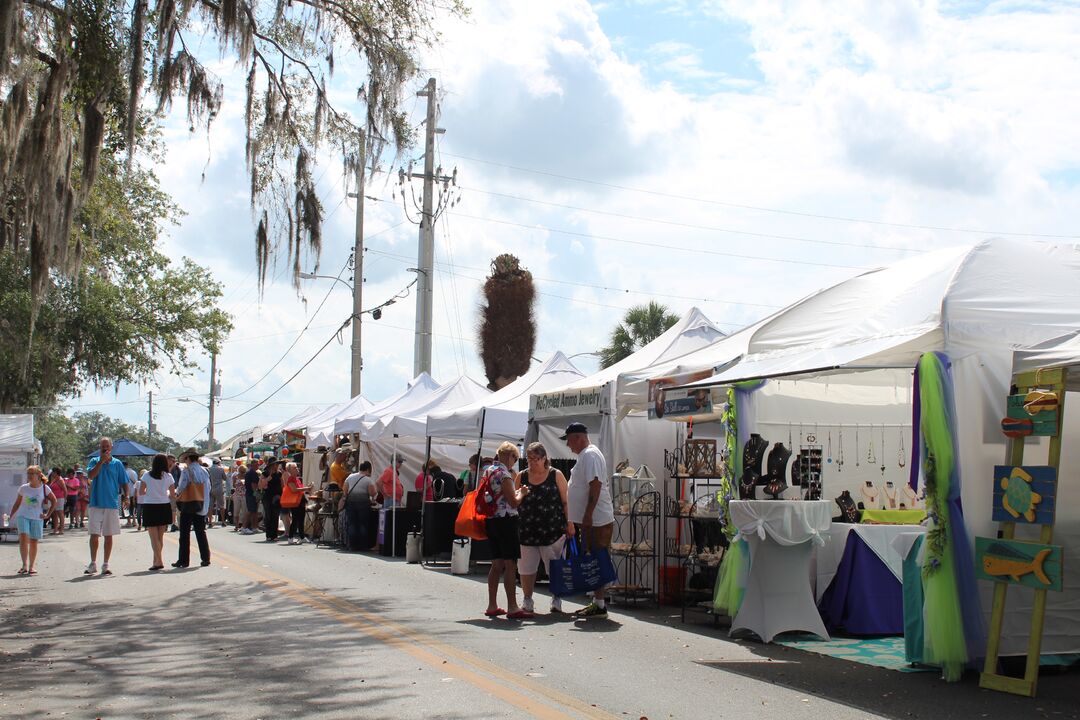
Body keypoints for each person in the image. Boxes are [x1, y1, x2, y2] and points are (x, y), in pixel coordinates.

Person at [563, 422, 614, 618]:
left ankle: (600, 604)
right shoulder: (586, 455)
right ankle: (597, 602)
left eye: (569, 440)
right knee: (592, 558)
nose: (568, 445)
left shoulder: (590, 455)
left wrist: (588, 514)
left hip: (597, 519)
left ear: (578, 437)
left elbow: (595, 485)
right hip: (592, 519)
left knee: (596, 559)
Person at [517, 442, 574, 615]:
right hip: (527, 529)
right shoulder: (521, 476)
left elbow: (566, 501)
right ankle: (527, 600)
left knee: (554, 565)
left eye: (535, 459)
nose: (531, 462)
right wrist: (521, 494)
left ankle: (556, 599)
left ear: (544, 459)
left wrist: (570, 522)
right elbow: (515, 499)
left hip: (552, 529)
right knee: (526, 567)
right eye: (529, 459)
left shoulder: (556, 475)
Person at [482, 442, 531, 619]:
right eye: (515, 458)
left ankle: (492, 604)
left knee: (496, 564)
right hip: (506, 520)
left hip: (491, 520)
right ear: (509, 455)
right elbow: (513, 502)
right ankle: (512, 606)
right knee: (510, 564)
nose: (515, 462)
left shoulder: (488, 471)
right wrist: (522, 493)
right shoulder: (504, 475)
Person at [85, 437, 129, 576]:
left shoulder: (117, 464)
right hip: (96, 502)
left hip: (111, 503)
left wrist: (126, 496)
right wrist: (101, 462)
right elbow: (91, 475)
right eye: (102, 446)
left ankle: (106, 563)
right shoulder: (94, 461)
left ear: (111, 447)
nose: (104, 448)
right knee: (94, 534)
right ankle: (93, 563)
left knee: (108, 535)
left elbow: (124, 482)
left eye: (107, 446)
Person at [11, 465, 56, 575]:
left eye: (32, 473)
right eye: (28, 474)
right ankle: (24, 565)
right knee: (23, 537)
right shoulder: (23, 488)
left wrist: (47, 515)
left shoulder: (45, 488)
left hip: (37, 517)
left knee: (33, 541)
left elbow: (54, 501)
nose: (30, 476)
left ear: (39, 475)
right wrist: (10, 516)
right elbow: (17, 504)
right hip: (23, 516)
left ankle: (32, 566)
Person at [173, 448, 212, 568]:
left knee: (184, 533)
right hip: (201, 504)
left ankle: (184, 560)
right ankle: (205, 558)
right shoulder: (205, 471)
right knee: (201, 532)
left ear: (188, 458)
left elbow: (181, 486)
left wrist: (176, 494)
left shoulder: (186, 471)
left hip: (188, 503)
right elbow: (208, 488)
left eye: (186, 459)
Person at [139, 454, 175, 571]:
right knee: (160, 537)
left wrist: (151, 492)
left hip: (150, 506)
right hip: (164, 506)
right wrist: (164, 493)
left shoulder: (146, 475)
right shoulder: (168, 476)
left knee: (153, 538)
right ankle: (157, 560)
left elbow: (141, 491)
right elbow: (173, 494)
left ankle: (158, 561)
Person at [340, 461, 377, 551]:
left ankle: (352, 545)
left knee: (352, 524)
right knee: (362, 524)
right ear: (368, 469)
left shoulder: (350, 477)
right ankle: (362, 545)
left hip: (350, 504)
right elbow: (372, 493)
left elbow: (344, 490)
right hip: (363, 504)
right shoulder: (368, 480)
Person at [280, 462, 311, 545]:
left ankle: (302, 537)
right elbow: (294, 490)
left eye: (297, 468)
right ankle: (290, 537)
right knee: (295, 519)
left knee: (301, 519)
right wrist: (306, 488)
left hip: (300, 501)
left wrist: (305, 488)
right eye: (295, 468)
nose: (297, 469)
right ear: (290, 470)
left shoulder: (297, 478)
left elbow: (299, 489)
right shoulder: (291, 479)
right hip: (295, 502)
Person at [261, 459, 283, 541]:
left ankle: (274, 535)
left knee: (275, 515)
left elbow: (282, 485)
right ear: (271, 465)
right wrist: (267, 480)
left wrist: (282, 495)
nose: (277, 465)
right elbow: (260, 486)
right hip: (267, 497)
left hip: (277, 497)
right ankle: (268, 535)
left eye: (277, 464)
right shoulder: (265, 473)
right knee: (268, 515)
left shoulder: (279, 473)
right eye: (275, 464)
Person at [242, 459, 261, 535]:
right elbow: (253, 485)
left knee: (254, 511)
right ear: (253, 465)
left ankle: (254, 527)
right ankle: (244, 527)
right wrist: (256, 495)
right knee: (250, 511)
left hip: (249, 493)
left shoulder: (249, 473)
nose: (258, 466)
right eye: (257, 464)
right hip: (251, 494)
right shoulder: (253, 473)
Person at [207, 458, 227, 528]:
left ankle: (210, 522)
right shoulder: (221, 469)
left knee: (210, 506)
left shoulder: (209, 469)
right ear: (218, 462)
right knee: (221, 506)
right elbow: (225, 478)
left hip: (211, 488)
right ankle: (223, 521)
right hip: (219, 488)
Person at [47, 468, 67, 535]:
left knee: (60, 513)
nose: (52, 473)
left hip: (60, 498)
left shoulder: (60, 480)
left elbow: (65, 490)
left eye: (53, 472)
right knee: (54, 514)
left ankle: (61, 529)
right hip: (53, 499)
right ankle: (55, 529)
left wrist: (65, 499)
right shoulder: (54, 479)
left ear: (56, 472)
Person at [122, 462, 138, 527]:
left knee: (126, 507)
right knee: (133, 507)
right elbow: (136, 482)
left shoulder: (123, 472)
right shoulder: (133, 472)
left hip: (125, 493)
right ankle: (134, 521)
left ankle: (129, 521)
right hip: (133, 492)